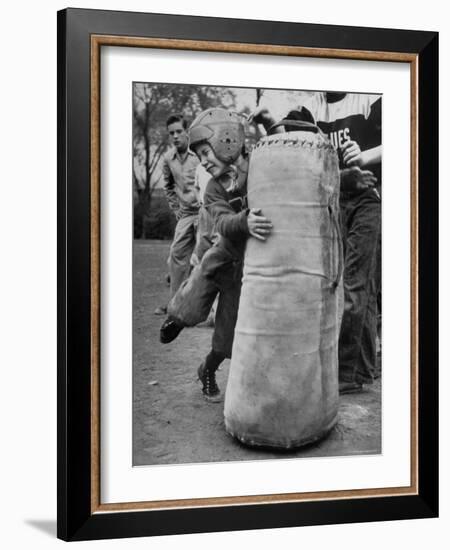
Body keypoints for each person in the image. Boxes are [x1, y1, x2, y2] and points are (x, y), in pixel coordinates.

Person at [253, 92, 381, 394]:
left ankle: (346, 373)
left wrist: (366, 156)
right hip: (333, 200)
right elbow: (294, 148)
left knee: (355, 284)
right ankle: (362, 368)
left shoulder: (369, 99)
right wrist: (272, 122)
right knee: (351, 285)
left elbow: (409, 135)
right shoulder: (311, 107)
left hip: (368, 198)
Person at [160, 108, 273, 402]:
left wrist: (270, 124)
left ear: (228, 140)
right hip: (222, 256)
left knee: (226, 340)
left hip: (245, 271)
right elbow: (223, 222)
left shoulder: (259, 167)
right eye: (198, 155)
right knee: (192, 299)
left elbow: (284, 160)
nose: (204, 161)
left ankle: (206, 370)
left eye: (206, 151)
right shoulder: (211, 188)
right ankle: (177, 317)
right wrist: (244, 221)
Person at [154, 113, 200, 315]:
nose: (175, 136)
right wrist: (176, 209)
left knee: (205, 256)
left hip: (206, 213)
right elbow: (168, 187)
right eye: (171, 133)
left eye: (179, 131)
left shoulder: (200, 153)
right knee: (176, 255)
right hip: (186, 214)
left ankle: (206, 307)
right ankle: (175, 305)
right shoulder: (168, 159)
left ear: (187, 132)